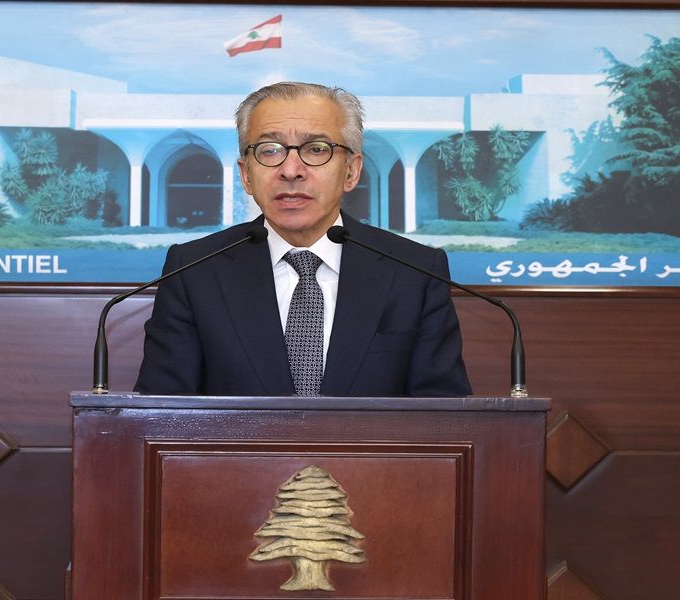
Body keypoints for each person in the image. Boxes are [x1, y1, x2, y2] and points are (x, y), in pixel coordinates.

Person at [135, 82, 471, 397]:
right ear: (246, 175)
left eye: (317, 149)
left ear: (351, 171)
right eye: (269, 150)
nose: (291, 170)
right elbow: (160, 414)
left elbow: (445, 418)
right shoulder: (194, 270)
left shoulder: (414, 272)